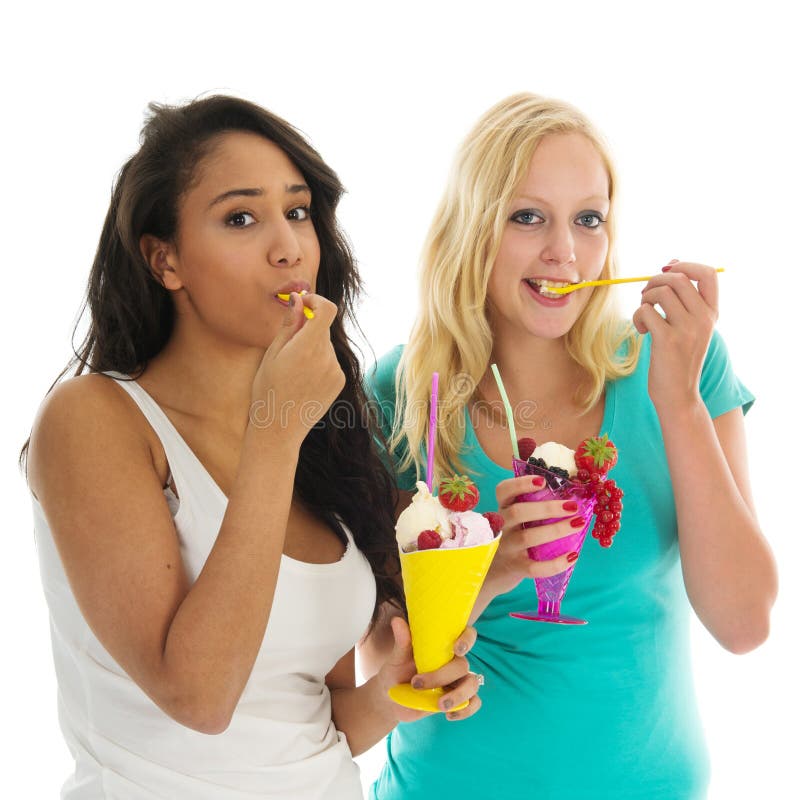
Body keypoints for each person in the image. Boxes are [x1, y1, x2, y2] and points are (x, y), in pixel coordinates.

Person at [21, 95, 482, 800]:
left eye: (297, 212)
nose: (288, 247)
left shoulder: (314, 440)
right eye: (241, 217)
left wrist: (393, 693)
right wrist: (274, 431)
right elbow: (200, 698)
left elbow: (305, 725)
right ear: (164, 259)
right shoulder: (94, 419)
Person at [361, 92, 777, 799]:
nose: (566, 252)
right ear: (474, 229)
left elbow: (743, 624)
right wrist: (493, 568)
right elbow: (382, 656)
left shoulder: (683, 362)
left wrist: (676, 401)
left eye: (589, 219)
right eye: (528, 218)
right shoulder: (404, 392)